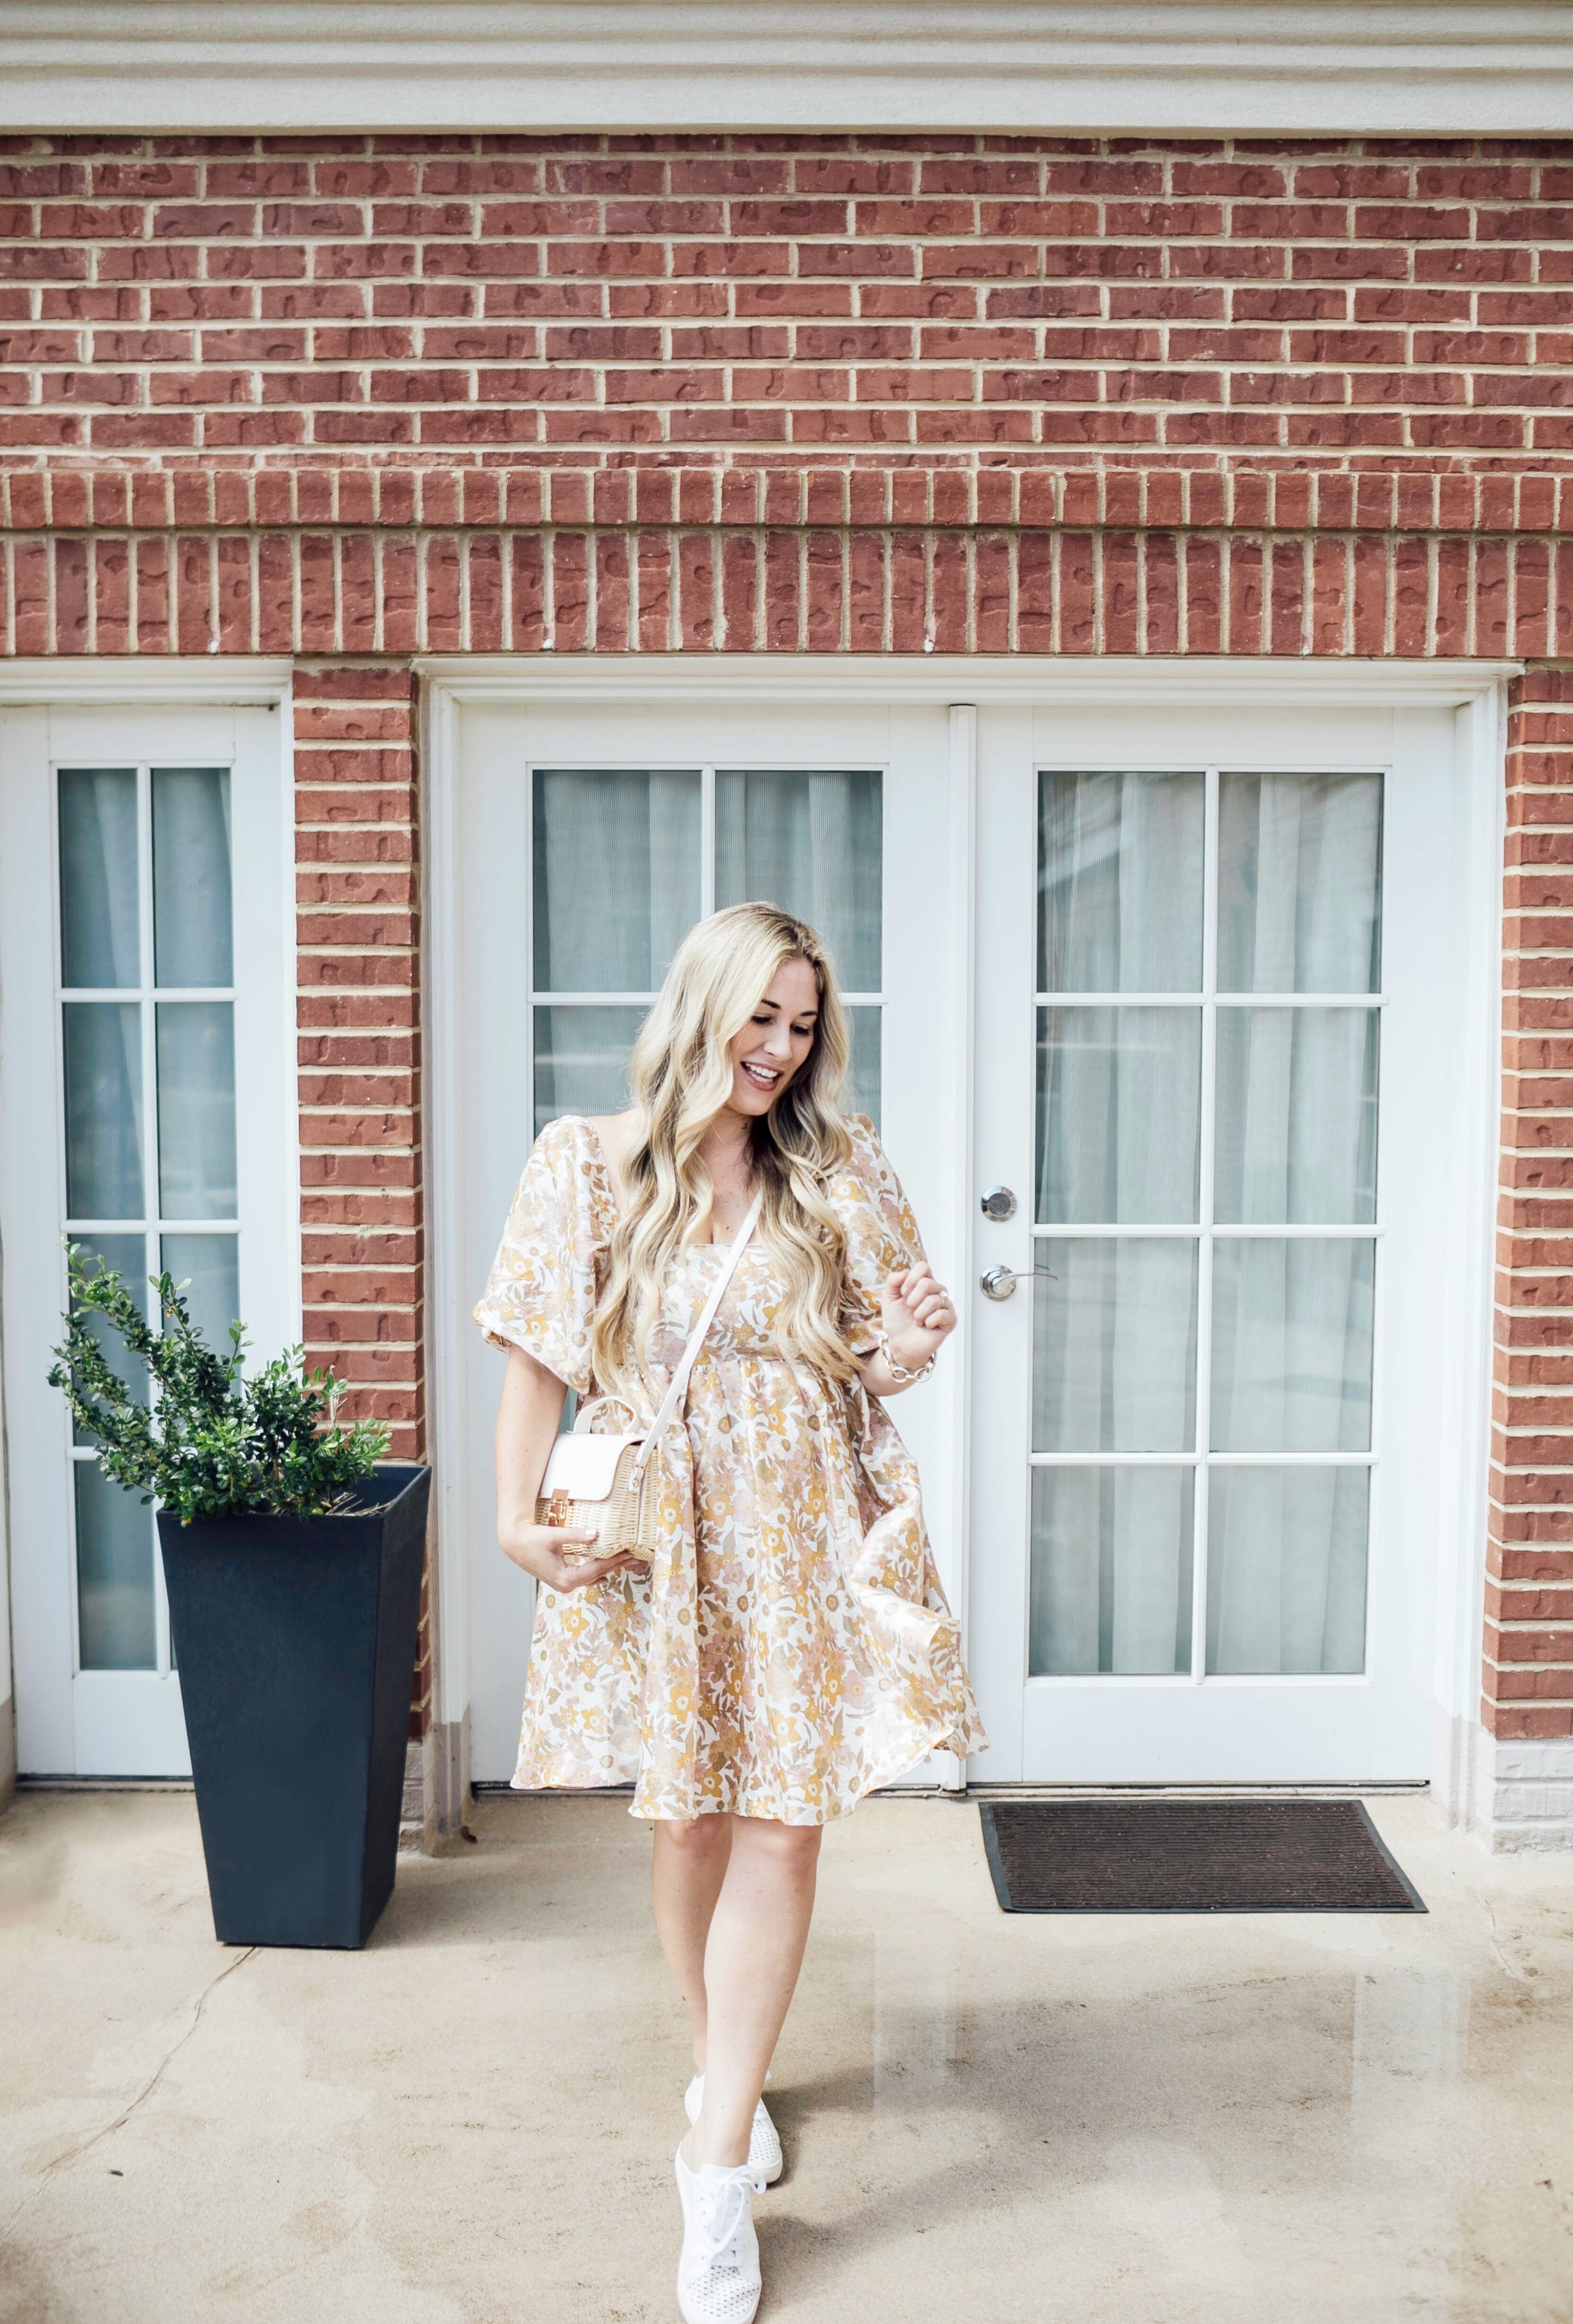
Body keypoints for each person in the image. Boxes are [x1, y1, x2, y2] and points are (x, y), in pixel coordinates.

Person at [474, 900, 983, 2324]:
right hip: (659, 1542)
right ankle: (728, 2068)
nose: (779, 1048)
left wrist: (910, 1349)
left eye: (804, 1024)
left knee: (784, 1824)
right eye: (762, 1015)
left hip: (798, 1532)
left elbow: (873, 1359)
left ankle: (714, 2177)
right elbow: (535, 1361)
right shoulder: (586, 1166)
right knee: (689, 1815)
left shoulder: (840, 1167)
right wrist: (517, 1522)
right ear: (703, 1005)